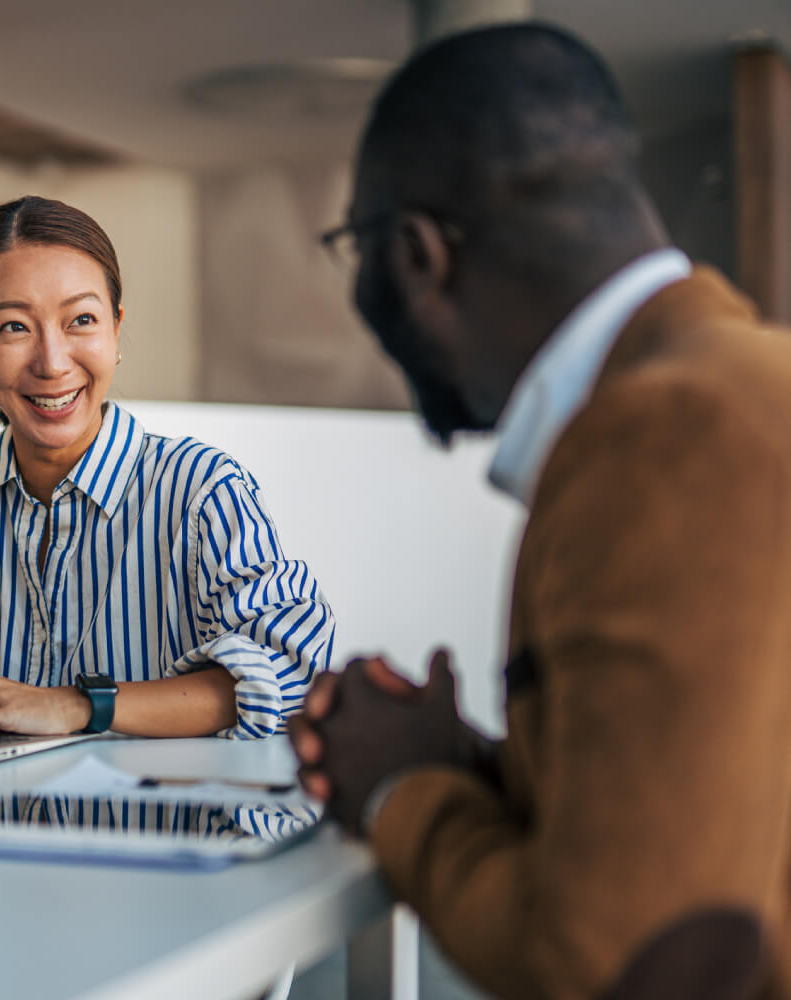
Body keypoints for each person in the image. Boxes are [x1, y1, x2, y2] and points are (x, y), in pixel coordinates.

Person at [290, 22, 791, 998]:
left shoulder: (661, 433)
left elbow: (619, 963)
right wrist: (467, 763)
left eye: (360, 254)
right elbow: (729, 805)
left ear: (419, 258)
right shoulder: (745, 379)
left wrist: (401, 793)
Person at [0, 196, 334, 739]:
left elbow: (290, 669)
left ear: (115, 329)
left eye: (81, 320)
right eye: (14, 327)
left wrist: (77, 706)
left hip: (148, 825)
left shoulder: (201, 492)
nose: (52, 362)